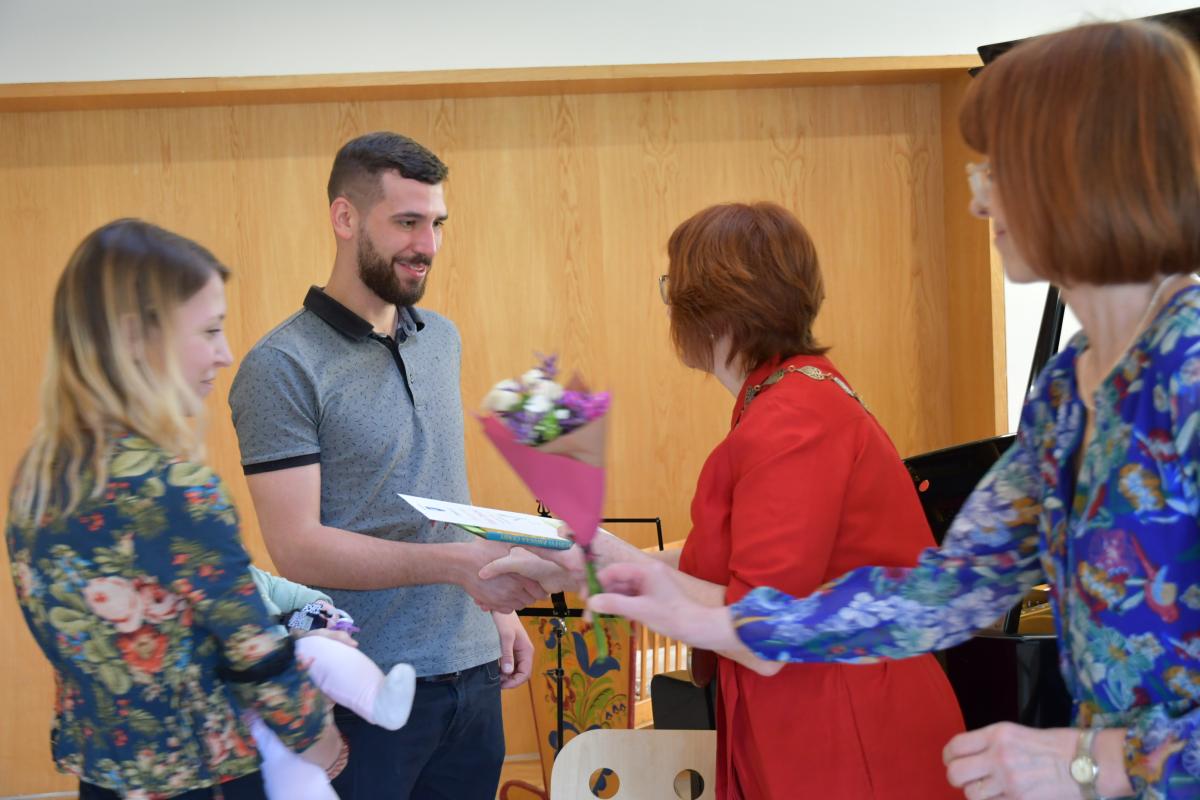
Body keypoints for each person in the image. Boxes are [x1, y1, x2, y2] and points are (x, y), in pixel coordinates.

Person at [583, 19, 1200, 800]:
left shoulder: (1187, 373)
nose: (979, 200)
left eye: (997, 169)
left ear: (1083, 172)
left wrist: (1096, 762)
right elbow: (946, 590)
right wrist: (718, 621)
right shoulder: (1066, 390)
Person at [497, 201, 967, 798]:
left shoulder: (793, 418)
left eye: (672, 289)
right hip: (821, 711)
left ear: (711, 308)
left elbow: (764, 629)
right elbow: (726, 565)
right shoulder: (789, 395)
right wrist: (577, 562)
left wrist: (605, 559)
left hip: (846, 729)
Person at [228, 131, 541, 800]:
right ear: (345, 218)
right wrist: (456, 568)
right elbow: (297, 548)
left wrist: (493, 608)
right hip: (364, 690)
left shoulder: (442, 338)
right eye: (406, 222)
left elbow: (441, 491)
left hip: (474, 673)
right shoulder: (279, 367)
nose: (427, 244)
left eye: (436, 224)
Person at [5, 219, 338, 799]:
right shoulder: (173, 488)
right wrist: (315, 732)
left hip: (104, 776)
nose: (225, 353)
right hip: (203, 780)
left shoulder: (41, 478)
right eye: (209, 330)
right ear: (136, 336)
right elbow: (252, 650)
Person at [245, 565, 417, 800]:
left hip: (289, 670)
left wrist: (307, 621)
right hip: (248, 693)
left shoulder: (251, 574)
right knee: (282, 760)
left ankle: (378, 699)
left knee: (320, 647)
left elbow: (310, 599)